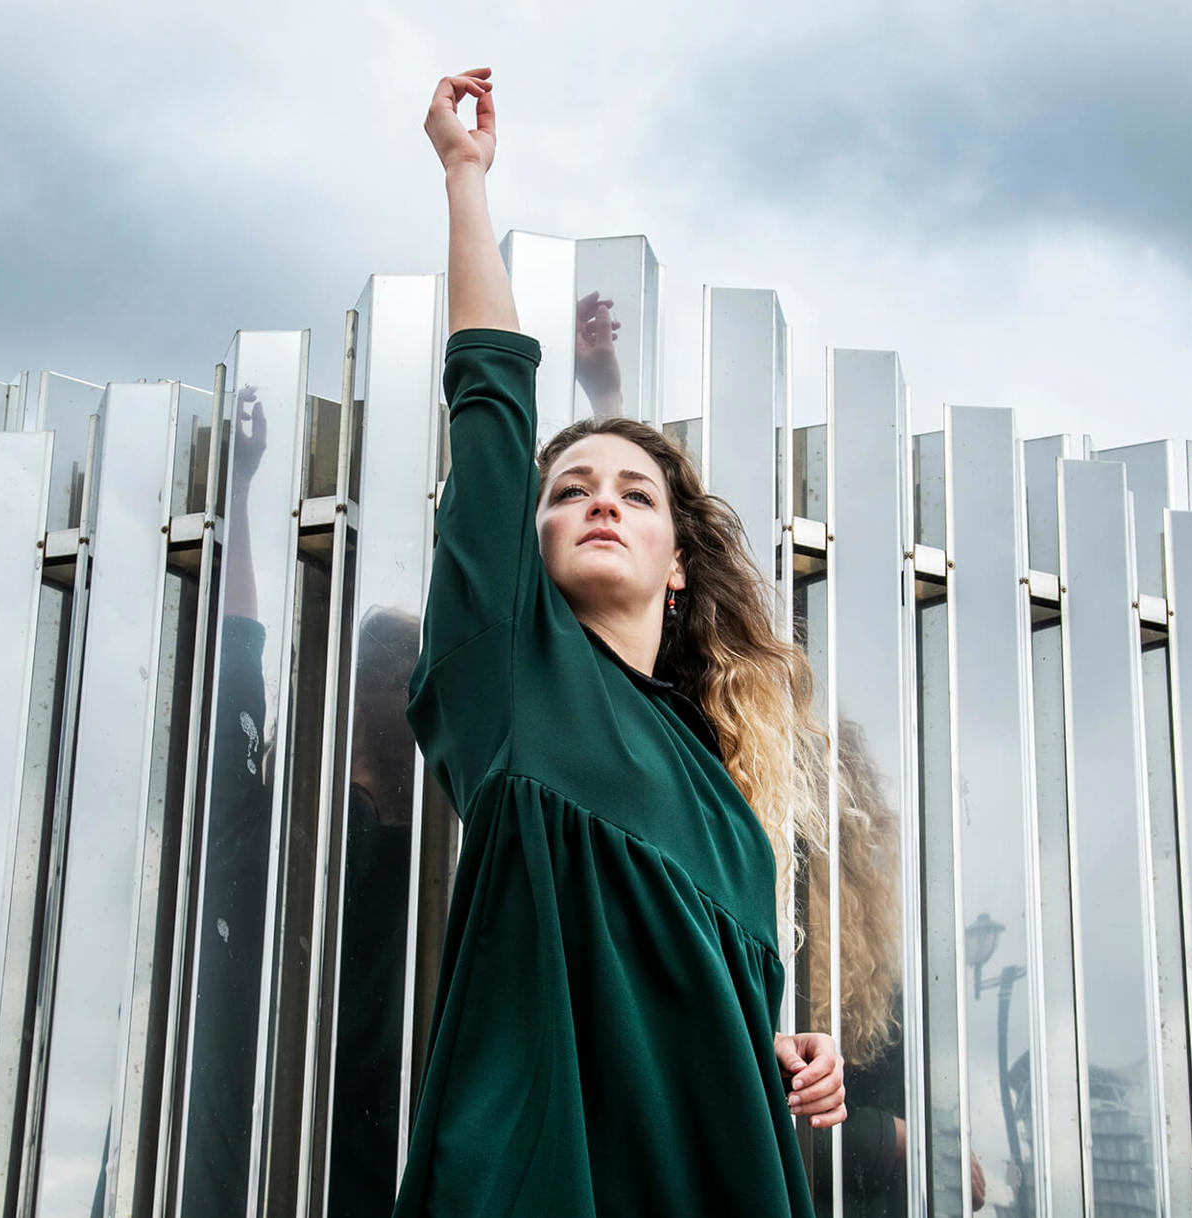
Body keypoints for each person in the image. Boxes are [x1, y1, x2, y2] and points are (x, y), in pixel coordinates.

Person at [393, 68, 847, 1216]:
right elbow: (492, 400)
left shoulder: (736, 819)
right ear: (527, 542)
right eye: (569, 490)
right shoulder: (515, 679)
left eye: (636, 495)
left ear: (679, 561)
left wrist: (787, 1054)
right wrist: (463, 178)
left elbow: (700, 1004)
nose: (600, 502)